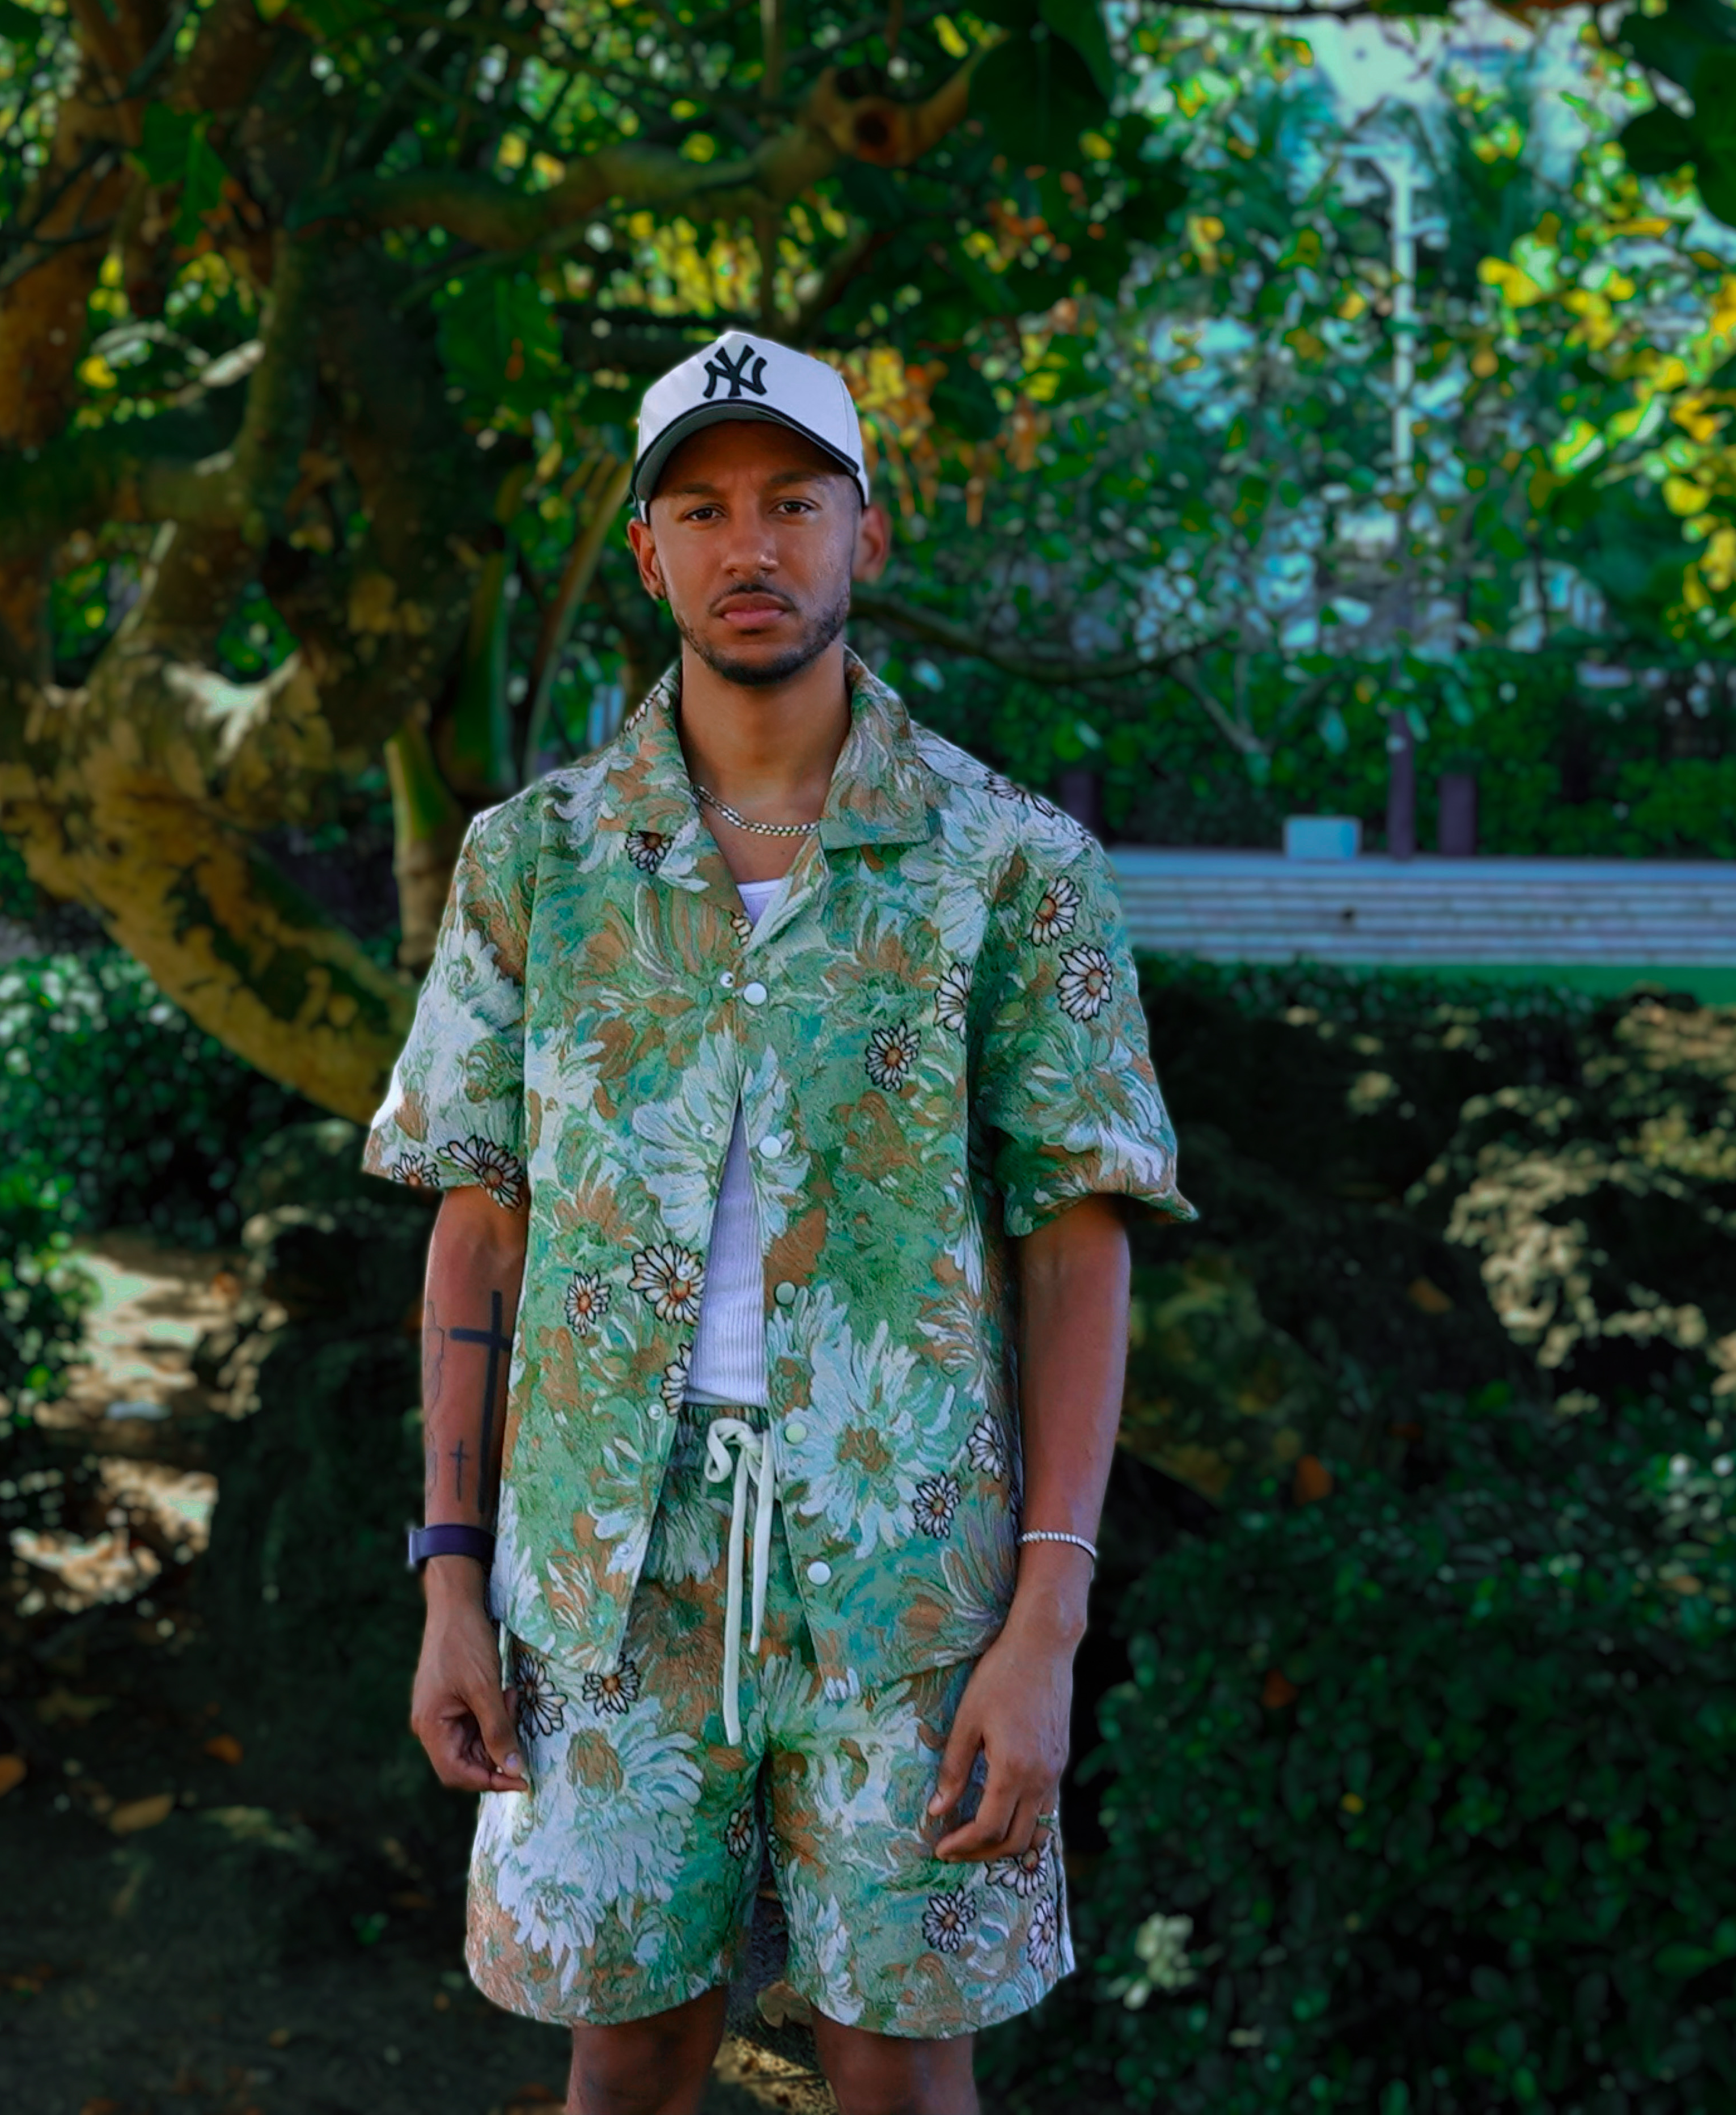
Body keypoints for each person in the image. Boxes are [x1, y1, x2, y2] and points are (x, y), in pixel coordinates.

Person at [367, 328, 1186, 2115]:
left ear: (864, 534)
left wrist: (1047, 1624)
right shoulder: (534, 862)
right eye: (704, 509)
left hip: (911, 1577)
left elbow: (1078, 1239)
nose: (751, 545)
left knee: (901, 2074)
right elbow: (477, 1230)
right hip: (599, 1575)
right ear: (646, 553)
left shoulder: (1012, 864)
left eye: (794, 503)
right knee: (627, 2063)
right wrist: (449, 1582)